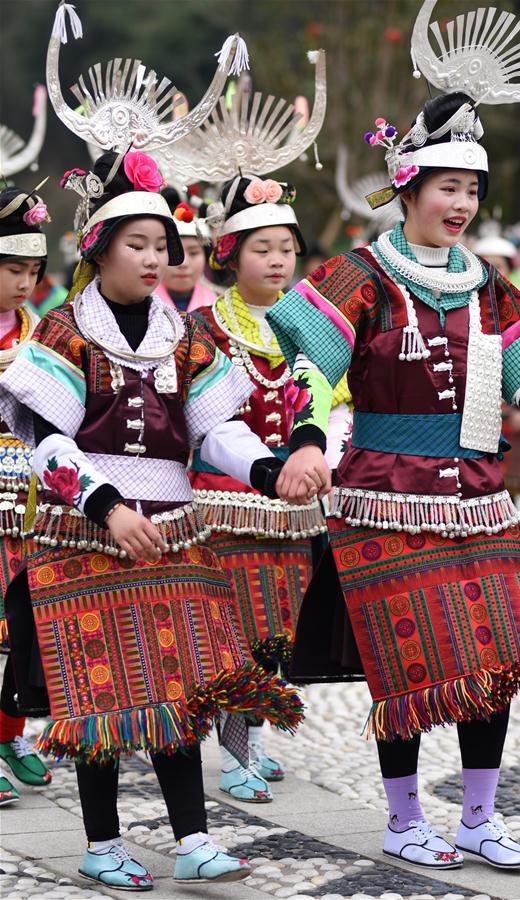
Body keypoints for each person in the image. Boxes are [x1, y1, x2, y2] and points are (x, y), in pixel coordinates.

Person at [266, 68, 520, 870]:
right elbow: (315, 373)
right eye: (447, 188)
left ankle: (477, 818)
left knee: (496, 651)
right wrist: (306, 441)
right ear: (408, 188)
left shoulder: (487, 285)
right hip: (383, 496)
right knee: (409, 662)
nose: (460, 205)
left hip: (475, 494)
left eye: (471, 190)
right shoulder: (359, 275)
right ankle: (401, 821)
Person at [0, 150, 303, 889]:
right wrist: (106, 505)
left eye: (161, 247)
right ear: (98, 250)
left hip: (172, 530)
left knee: (180, 690)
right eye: (135, 244)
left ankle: (193, 839)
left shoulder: (187, 336)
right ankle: (101, 845)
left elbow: (215, 429)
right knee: (100, 698)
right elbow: (49, 444)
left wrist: (267, 468)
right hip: (86, 536)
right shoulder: (67, 331)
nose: (152, 258)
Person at [190, 175, 351, 802]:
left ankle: (250, 733)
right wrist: (262, 467)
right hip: (227, 499)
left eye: (286, 247)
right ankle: (233, 748)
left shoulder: (316, 325)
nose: (278, 259)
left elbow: (339, 404)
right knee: (233, 626)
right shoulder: (203, 327)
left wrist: (324, 457)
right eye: (262, 248)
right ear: (229, 254)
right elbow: (206, 421)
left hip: (298, 502)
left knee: (276, 628)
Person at [0, 185, 52, 806]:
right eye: (13, 269)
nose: (24, 283)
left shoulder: (41, 335)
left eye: (34, 272)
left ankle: (10, 730)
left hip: (33, 504)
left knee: (21, 629)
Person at [473, 234, 520, 499]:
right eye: (486, 264)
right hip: (470, 411)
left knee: (508, 485)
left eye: (500, 265)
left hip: (509, 408)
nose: (493, 272)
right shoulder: (459, 306)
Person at [155, 201, 216, 313]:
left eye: (193, 253)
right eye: (173, 253)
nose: (183, 263)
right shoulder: (139, 304)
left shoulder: (219, 306)